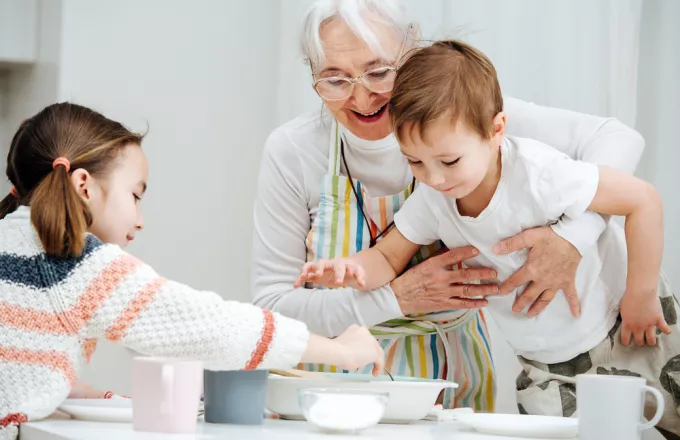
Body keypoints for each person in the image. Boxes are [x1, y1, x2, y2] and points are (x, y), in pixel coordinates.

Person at [252, 0, 646, 411]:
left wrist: (573, 237)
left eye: (379, 72)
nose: (362, 97)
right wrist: (396, 299)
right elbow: (272, 309)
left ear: (410, 53)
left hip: (452, 386)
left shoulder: (466, 116)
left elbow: (619, 138)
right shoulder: (293, 150)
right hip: (326, 393)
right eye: (335, 80)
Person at [0, 103, 384, 440]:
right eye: (135, 195)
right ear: (84, 185)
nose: (140, 218)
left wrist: (75, 391)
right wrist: (340, 350)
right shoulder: (73, 262)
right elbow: (207, 328)